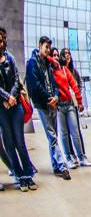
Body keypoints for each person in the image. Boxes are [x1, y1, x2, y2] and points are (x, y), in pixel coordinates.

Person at [26, 36, 70, 180]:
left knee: (53, 136)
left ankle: (55, 165)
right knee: (52, 136)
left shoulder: (47, 63)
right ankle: (63, 166)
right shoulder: (32, 63)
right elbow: (35, 85)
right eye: (46, 47)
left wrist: (56, 97)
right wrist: (49, 98)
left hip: (53, 104)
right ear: (40, 46)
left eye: (49, 48)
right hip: (43, 104)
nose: (48, 50)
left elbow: (54, 83)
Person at [0, 28, 37, 191]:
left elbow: (16, 78)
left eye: (1, 40)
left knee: (20, 141)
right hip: (2, 107)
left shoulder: (10, 58)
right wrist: (6, 98)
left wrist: (12, 96)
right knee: (9, 143)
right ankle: (19, 175)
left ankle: (28, 174)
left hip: (16, 106)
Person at [52, 47, 91, 169]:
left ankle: (81, 157)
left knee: (75, 132)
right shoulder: (50, 71)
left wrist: (79, 101)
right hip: (59, 106)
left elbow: (74, 85)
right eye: (53, 55)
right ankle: (68, 158)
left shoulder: (64, 70)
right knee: (63, 134)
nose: (55, 57)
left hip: (69, 105)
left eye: (56, 55)